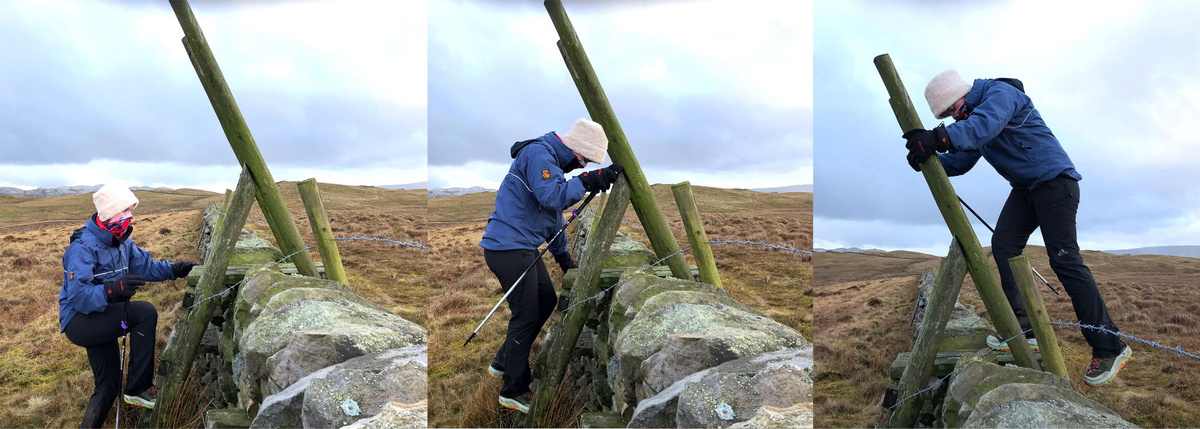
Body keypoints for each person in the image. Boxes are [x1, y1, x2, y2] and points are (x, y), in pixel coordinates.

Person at [903, 70, 1131, 387]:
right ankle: (1026, 331)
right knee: (1004, 246)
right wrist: (926, 159)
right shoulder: (971, 117)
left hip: (1055, 182)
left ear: (962, 94)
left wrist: (938, 138)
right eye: (947, 115)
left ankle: (1110, 346)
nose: (954, 117)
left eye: (953, 110)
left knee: (1065, 260)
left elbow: (981, 127)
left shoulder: (1000, 95)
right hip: (1026, 190)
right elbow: (961, 159)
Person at [479, 118, 624, 413]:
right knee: (527, 314)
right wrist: (588, 181)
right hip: (508, 249)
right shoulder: (539, 155)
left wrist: (564, 259)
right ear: (575, 148)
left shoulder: (553, 165)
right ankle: (514, 390)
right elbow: (552, 196)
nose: (580, 166)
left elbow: (552, 215)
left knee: (546, 301)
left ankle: (503, 361)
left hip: (521, 248)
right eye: (583, 161)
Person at [59, 184, 195, 428]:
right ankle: (138, 388)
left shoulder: (123, 242)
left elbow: (147, 267)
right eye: (124, 212)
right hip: (80, 321)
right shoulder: (82, 248)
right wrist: (112, 289)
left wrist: (177, 269)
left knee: (108, 387)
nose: (129, 217)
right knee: (144, 312)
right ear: (109, 215)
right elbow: (78, 296)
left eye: (131, 211)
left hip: (103, 317)